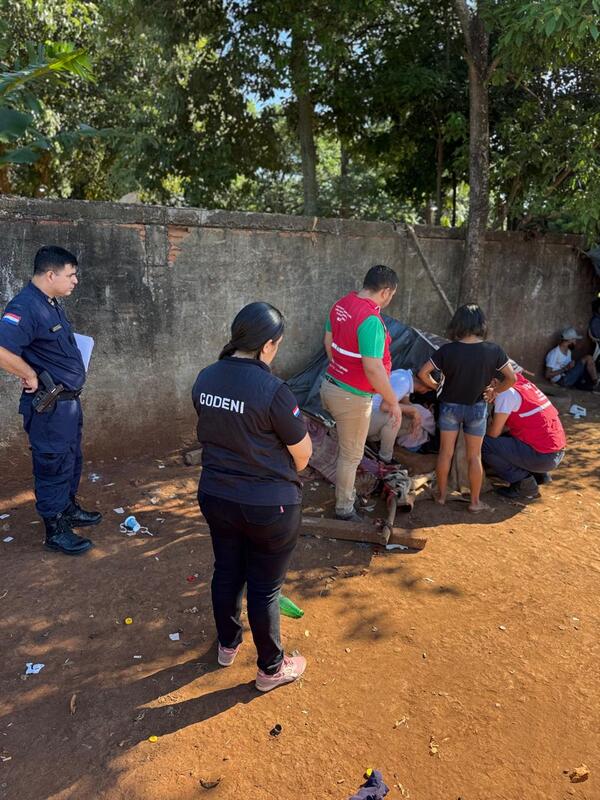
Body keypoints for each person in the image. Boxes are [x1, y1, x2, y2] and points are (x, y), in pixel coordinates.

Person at [193, 302, 312, 693]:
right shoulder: (274, 391)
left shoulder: (206, 378)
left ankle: (227, 645)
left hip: (216, 496)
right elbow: (303, 454)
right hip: (269, 506)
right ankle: (271, 669)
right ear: (268, 347)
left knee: (226, 570)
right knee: (265, 587)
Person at [0, 246, 101, 555]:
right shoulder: (25, 306)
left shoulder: (50, 303)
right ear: (50, 274)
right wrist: (29, 375)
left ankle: (67, 509)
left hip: (67, 404)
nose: (75, 281)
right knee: (53, 463)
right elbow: (2, 350)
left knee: (70, 459)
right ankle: (55, 529)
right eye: (71, 275)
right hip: (49, 406)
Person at [320, 265, 402, 521]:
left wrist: (341, 368)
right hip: (351, 397)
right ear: (386, 292)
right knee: (351, 455)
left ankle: (347, 490)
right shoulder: (371, 321)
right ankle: (344, 508)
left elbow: (328, 342)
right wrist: (393, 402)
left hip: (330, 385)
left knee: (347, 446)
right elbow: (373, 368)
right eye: (392, 295)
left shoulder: (341, 304)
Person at [418, 304, 516, 513]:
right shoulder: (494, 350)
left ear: (458, 323)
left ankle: (442, 496)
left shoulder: (447, 350)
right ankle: (474, 502)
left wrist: (437, 387)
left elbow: (423, 373)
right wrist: (495, 391)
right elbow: (512, 378)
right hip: (477, 408)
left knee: (445, 453)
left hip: (449, 408)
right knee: (474, 457)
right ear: (481, 324)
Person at [482, 373, 566, 498]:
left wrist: (480, 432)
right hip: (556, 452)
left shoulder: (505, 393)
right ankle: (540, 475)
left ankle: (524, 485)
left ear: (494, 382)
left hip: (542, 457)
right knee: (508, 436)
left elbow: (494, 433)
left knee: (483, 444)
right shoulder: (524, 384)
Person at [367, 369, 432, 461]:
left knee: (410, 423)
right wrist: (414, 411)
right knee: (394, 417)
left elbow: (406, 403)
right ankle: (385, 458)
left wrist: (417, 416)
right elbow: (385, 406)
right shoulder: (404, 383)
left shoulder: (404, 375)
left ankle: (372, 439)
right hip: (368, 416)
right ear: (425, 389)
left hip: (371, 417)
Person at [545, 327, 599, 392]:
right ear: (570, 340)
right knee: (588, 358)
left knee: (587, 366)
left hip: (567, 376)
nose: (575, 343)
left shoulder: (568, 351)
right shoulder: (554, 353)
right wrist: (565, 368)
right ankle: (596, 385)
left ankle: (591, 384)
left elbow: (569, 368)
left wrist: (571, 366)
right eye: (575, 340)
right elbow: (547, 375)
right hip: (561, 380)